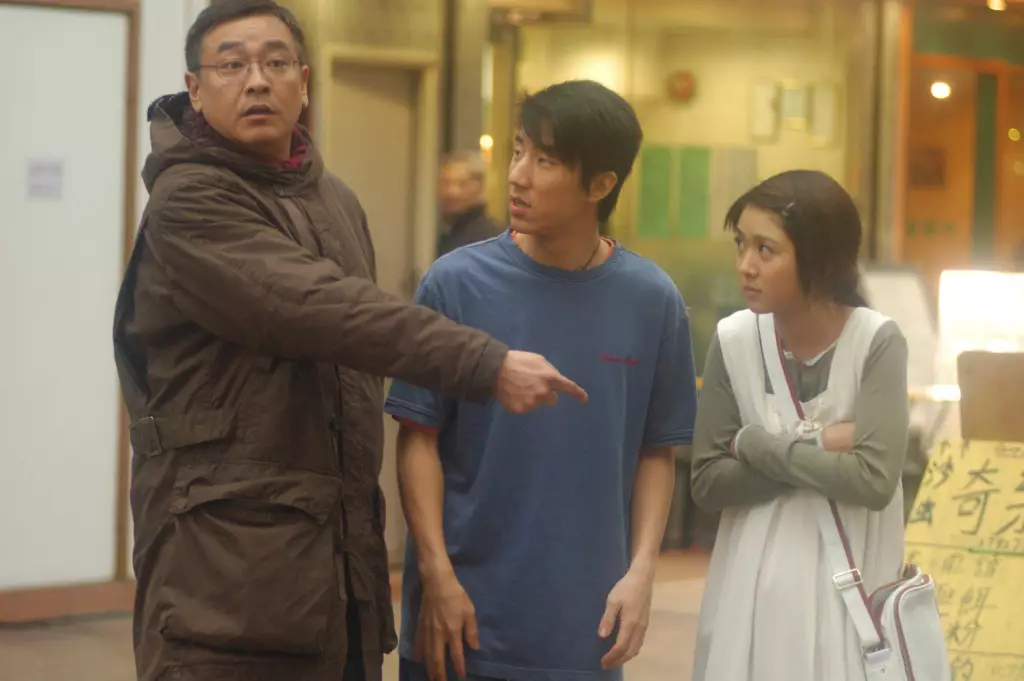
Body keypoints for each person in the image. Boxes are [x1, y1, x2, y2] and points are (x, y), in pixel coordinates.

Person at [112, 3, 586, 681]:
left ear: (304, 82)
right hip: (222, 580)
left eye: (276, 62)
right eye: (232, 64)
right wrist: (483, 361)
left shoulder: (334, 199)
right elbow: (320, 308)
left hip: (336, 576)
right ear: (194, 88)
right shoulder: (189, 201)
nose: (257, 80)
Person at [385, 79, 698, 681]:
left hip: (583, 627)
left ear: (600, 185)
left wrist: (641, 573)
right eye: (517, 151)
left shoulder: (652, 300)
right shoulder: (455, 283)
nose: (518, 175)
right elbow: (417, 437)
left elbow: (656, 452)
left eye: (545, 161)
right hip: (461, 618)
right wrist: (437, 576)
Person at [690, 170, 910, 681]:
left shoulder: (876, 342)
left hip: (851, 600)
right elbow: (707, 481)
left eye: (766, 250)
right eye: (741, 244)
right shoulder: (734, 340)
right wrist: (824, 442)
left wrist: (753, 444)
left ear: (820, 259)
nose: (745, 265)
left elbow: (873, 481)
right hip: (750, 595)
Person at [436, 151, 502, 257]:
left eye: (463, 184)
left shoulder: (489, 239)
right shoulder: (448, 234)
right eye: (446, 183)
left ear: (480, 187)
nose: (452, 192)